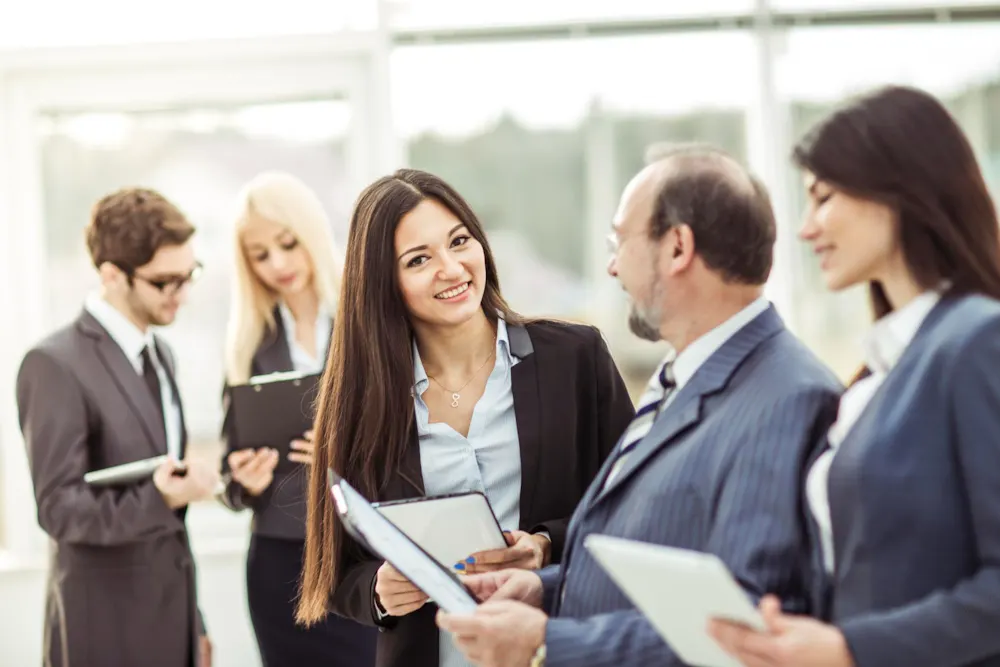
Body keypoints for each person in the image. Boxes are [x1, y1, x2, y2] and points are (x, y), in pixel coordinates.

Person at [434, 146, 844, 667]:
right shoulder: (684, 373)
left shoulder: (787, 398)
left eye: (619, 241)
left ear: (677, 248)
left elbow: (743, 626)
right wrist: (545, 589)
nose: (610, 266)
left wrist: (545, 643)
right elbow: (665, 567)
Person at [295, 168, 636, 667]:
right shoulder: (358, 402)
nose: (452, 268)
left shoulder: (575, 358)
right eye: (418, 259)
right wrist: (378, 590)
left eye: (460, 241)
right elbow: (335, 570)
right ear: (383, 284)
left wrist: (545, 545)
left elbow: (634, 507)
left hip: (560, 646)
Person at [709, 86, 1000, 667]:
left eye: (823, 197)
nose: (806, 227)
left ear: (898, 191)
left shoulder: (977, 340)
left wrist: (849, 648)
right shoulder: (878, 371)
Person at [16, 188, 218, 667]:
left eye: (190, 275)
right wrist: (162, 498)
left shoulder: (161, 353)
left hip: (173, 622)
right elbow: (58, 509)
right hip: (102, 630)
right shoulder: (53, 364)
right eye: (166, 282)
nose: (182, 295)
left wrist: (196, 624)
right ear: (111, 275)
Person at [218, 171, 376, 667]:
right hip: (279, 562)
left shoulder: (367, 323)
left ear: (310, 231)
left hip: (360, 554)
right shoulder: (247, 345)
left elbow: (413, 437)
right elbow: (228, 476)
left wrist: (345, 454)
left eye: (287, 243)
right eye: (260, 255)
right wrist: (243, 479)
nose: (278, 264)